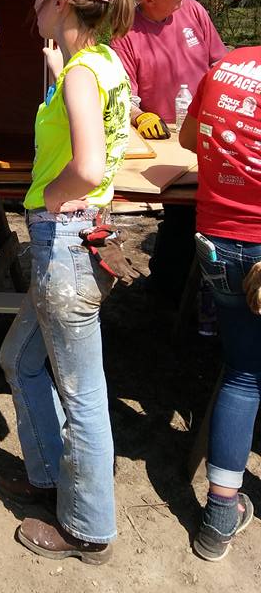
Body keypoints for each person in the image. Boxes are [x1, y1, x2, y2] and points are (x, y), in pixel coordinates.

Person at [0, 0, 134, 564]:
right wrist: (59, 74)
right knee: (18, 359)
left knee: (82, 395)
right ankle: (49, 474)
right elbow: (100, 137)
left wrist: (51, 198)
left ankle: (89, 529)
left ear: (59, 1)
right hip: (80, 241)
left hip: (66, 242)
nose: (32, 4)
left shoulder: (82, 74)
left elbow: (90, 165)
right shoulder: (101, 63)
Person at [179, 46, 261, 561]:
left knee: (243, 373)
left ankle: (218, 516)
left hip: (218, 241)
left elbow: (189, 139)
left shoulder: (227, 65)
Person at [111, 0, 227, 303]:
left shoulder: (193, 11)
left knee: (212, 208)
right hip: (163, 140)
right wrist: (139, 116)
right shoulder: (126, 33)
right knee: (180, 213)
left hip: (207, 127)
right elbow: (123, 93)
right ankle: (168, 289)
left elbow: (218, 62)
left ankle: (208, 285)